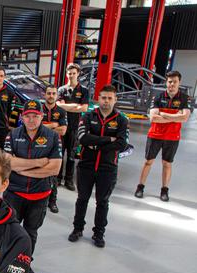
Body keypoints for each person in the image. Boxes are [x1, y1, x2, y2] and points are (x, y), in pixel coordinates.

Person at [3, 100, 62, 273]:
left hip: (40, 195)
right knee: (9, 230)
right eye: (27, 115)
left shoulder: (53, 137)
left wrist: (20, 167)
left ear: (41, 117)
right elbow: (7, 163)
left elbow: (54, 168)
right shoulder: (12, 135)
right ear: (22, 117)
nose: (31, 119)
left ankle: (24, 264)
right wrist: (38, 162)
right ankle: (6, 263)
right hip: (14, 193)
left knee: (30, 232)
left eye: (35, 116)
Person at [68, 85, 128, 248]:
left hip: (108, 168)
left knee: (102, 202)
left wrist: (96, 144)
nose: (106, 101)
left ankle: (98, 233)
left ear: (115, 99)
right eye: (103, 97)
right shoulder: (88, 116)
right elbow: (82, 138)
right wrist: (109, 140)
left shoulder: (122, 119)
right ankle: (77, 229)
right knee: (82, 199)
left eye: (110, 98)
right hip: (86, 166)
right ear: (98, 98)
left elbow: (122, 144)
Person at [135, 70, 192, 201]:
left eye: (175, 82)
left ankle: (164, 190)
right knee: (148, 162)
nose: (172, 84)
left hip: (172, 138)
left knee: (167, 164)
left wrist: (164, 114)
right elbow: (153, 118)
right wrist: (175, 117)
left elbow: (184, 118)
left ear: (179, 83)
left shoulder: (184, 98)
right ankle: (140, 187)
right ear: (166, 82)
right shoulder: (158, 97)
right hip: (155, 135)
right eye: (170, 81)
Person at [56, 63, 89, 191]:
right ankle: (58, 178)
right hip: (61, 127)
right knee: (59, 154)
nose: (71, 75)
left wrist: (66, 106)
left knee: (71, 154)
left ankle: (69, 180)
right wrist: (75, 106)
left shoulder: (84, 91)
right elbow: (58, 106)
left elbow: (84, 108)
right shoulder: (61, 90)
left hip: (75, 127)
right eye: (69, 73)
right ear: (66, 74)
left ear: (78, 74)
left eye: (74, 73)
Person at [41, 85, 68, 213]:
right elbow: (33, 127)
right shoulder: (39, 109)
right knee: (39, 173)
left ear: (57, 96)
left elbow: (62, 131)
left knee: (53, 175)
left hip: (55, 147)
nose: (51, 96)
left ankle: (53, 202)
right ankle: (41, 200)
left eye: (53, 93)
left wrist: (43, 126)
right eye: (48, 93)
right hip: (39, 146)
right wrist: (53, 125)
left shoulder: (62, 112)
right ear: (44, 95)